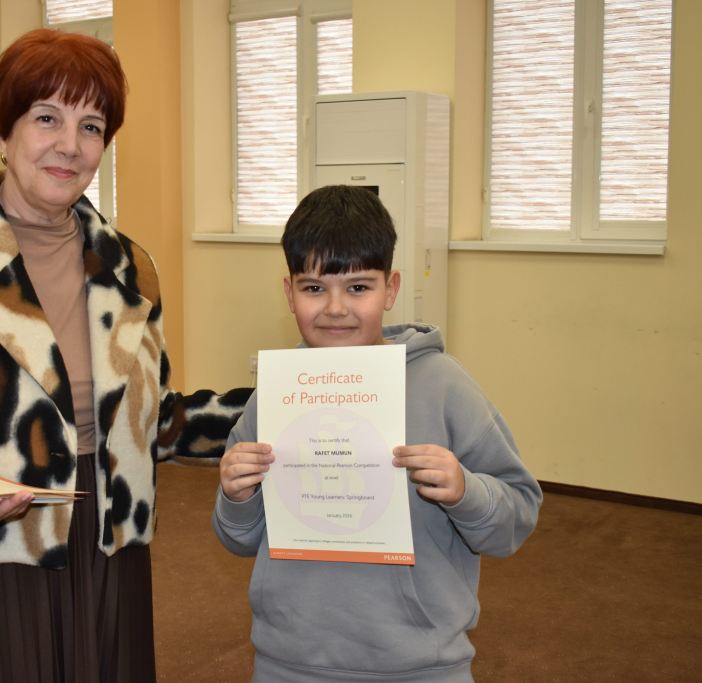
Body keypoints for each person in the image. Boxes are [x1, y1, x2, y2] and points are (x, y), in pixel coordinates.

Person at [0, 29, 249, 683]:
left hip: (107, 553)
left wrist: (278, 407)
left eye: (91, 126)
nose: (70, 145)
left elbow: (156, 419)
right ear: (2, 131)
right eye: (47, 118)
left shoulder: (130, 265)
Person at [212, 185, 543, 682]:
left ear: (390, 290)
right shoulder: (276, 395)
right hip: (289, 662)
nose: (335, 308)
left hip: (421, 666)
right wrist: (236, 498)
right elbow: (240, 540)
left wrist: (465, 491)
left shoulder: (444, 386)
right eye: (314, 288)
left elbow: (517, 515)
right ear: (289, 293)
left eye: (358, 288)